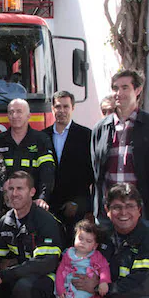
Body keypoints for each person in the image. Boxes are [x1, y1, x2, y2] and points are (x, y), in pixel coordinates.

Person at [91, 70, 149, 229]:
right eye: (115, 88)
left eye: (125, 87)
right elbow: (95, 170)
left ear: (138, 90)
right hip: (107, 214)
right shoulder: (100, 129)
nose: (118, 93)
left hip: (141, 214)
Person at [43, 91, 94, 241]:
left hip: (75, 206)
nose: (62, 111)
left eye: (66, 106)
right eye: (58, 106)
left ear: (73, 108)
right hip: (50, 205)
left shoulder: (86, 135)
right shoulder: (42, 136)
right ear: (52, 109)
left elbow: (91, 172)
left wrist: (77, 202)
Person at [0, 99, 55, 210]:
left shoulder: (41, 139)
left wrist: (42, 198)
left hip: (32, 204)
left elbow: (47, 172)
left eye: (19, 111)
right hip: (5, 205)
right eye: (11, 112)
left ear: (28, 116)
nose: (14, 115)